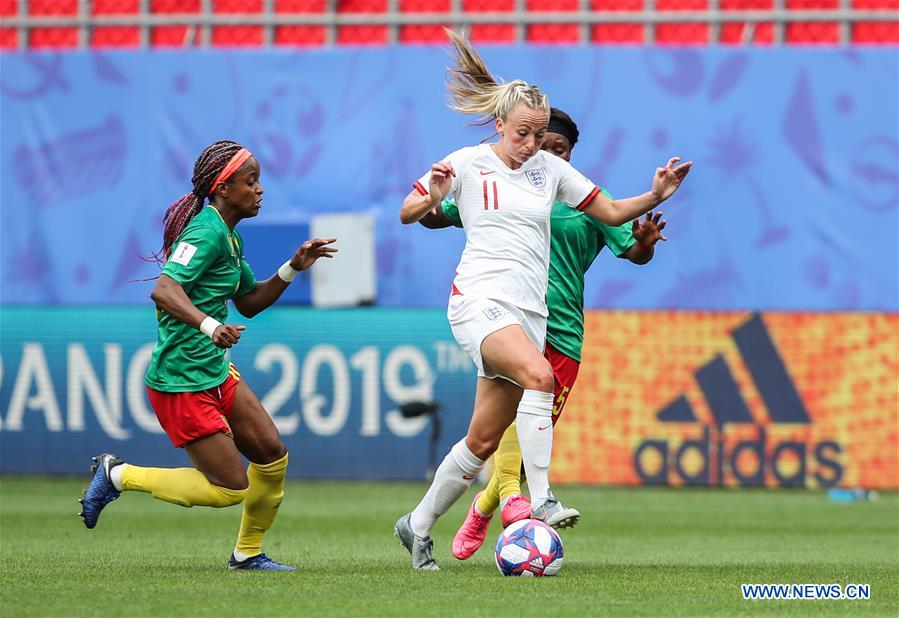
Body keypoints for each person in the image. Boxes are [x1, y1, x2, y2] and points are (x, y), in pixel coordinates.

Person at [394, 30, 691, 571]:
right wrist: (432, 197)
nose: (531, 144)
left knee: (481, 442)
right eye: (523, 133)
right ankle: (543, 497)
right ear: (500, 125)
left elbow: (610, 214)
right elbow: (408, 213)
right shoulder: (465, 163)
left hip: (530, 314)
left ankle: (415, 526)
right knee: (539, 376)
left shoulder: (550, 171)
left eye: (539, 134)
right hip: (477, 301)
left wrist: (655, 194)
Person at [420, 107, 668, 560]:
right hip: (508, 319)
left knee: (517, 433)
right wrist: (429, 203)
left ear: (570, 154)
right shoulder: (505, 186)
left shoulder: (587, 201)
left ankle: (484, 505)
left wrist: (645, 242)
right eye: (538, 143)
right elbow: (442, 212)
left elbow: (630, 250)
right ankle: (523, 500)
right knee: (517, 414)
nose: (544, 153)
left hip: (564, 331)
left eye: (558, 149)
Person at [79, 140, 337, 571]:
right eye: (250, 181)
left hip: (214, 372)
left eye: (259, 181)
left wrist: (294, 266)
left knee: (272, 455)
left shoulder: (229, 236)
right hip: (181, 381)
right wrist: (210, 326)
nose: (260, 189)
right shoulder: (205, 231)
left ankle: (248, 554)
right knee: (230, 488)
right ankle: (116, 475)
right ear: (223, 188)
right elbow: (163, 290)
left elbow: (251, 301)